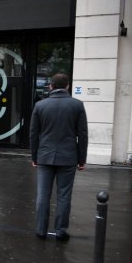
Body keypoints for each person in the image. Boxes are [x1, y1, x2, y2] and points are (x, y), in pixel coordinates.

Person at [30, 73, 88, 241]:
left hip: (45, 156)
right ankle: (60, 231)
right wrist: (81, 159)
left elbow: (33, 134)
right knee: (64, 196)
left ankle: (41, 230)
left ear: (50, 86)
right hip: (68, 157)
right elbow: (82, 135)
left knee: (43, 195)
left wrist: (34, 157)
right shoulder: (77, 105)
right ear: (68, 86)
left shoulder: (40, 105)